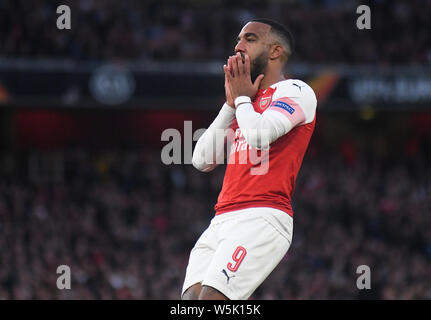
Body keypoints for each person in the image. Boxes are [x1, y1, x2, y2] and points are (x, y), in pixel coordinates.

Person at [181, 18, 317, 300]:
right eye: (239, 38)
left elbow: (259, 136)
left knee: (212, 300)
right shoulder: (244, 104)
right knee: (191, 301)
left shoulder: (297, 91)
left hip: (263, 215)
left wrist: (242, 100)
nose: (238, 46)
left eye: (250, 39)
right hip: (221, 218)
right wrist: (231, 105)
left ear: (275, 51)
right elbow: (201, 160)